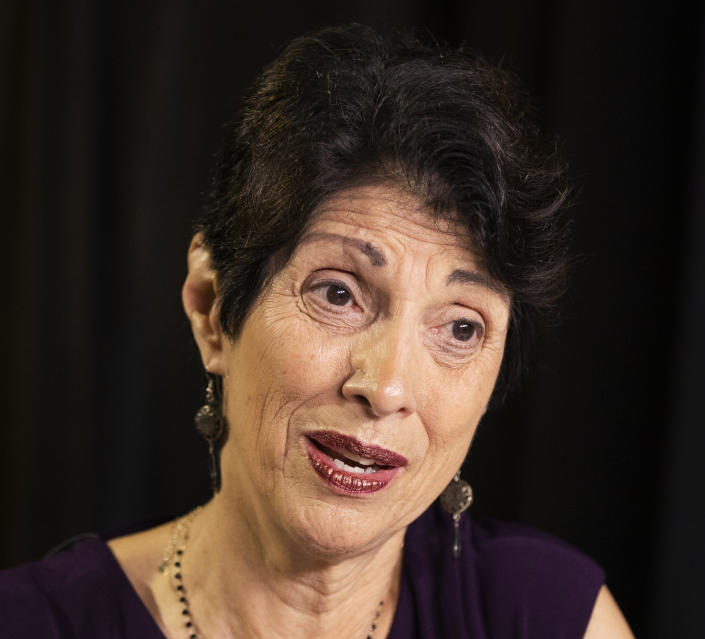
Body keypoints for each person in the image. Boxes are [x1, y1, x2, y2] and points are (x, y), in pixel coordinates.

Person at [0, 24, 633, 638]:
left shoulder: (548, 615)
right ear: (213, 309)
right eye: (338, 294)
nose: (385, 388)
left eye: (461, 328)